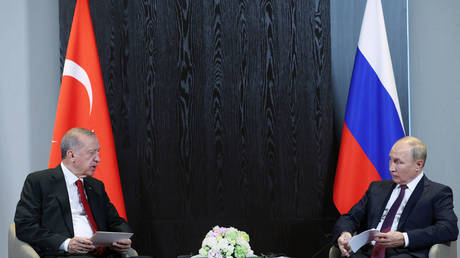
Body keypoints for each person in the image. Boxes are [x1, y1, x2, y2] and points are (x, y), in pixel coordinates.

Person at [15, 128, 142, 258]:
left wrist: (123, 238)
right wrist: (66, 243)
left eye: (98, 152)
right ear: (71, 155)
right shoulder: (40, 182)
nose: (98, 159)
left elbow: (116, 221)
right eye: (92, 153)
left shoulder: (96, 186)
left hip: (104, 254)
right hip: (66, 254)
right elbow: (25, 226)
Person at [333, 136, 458, 258]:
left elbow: (448, 229)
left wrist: (404, 238)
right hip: (366, 253)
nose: (391, 168)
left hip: (405, 253)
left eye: (399, 162)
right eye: (391, 160)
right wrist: (345, 234)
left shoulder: (438, 193)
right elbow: (350, 217)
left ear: (418, 165)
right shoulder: (376, 188)